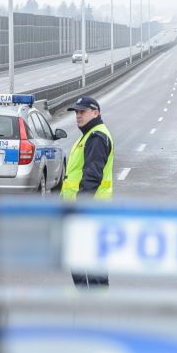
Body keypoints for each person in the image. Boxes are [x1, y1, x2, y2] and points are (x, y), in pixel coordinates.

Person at [61, 95, 114, 288]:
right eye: (76, 112)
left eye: (82, 112)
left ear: (95, 112)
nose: (78, 116)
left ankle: (96, 309)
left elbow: (92, 177)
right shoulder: (89, 135)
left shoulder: (96, 137)